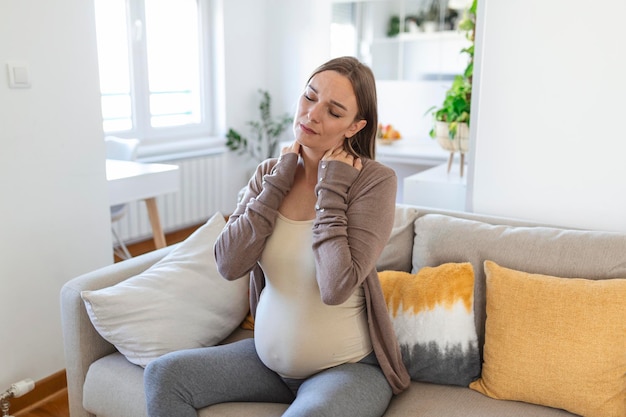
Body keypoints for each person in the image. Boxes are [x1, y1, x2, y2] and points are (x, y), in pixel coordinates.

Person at [144, 56, 410, 417]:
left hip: (347, 369)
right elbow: (229, 263)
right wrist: (277, 182)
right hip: (266, 363)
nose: (312, 114)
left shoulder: (374, 182)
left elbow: (335, 286)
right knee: (165, 376)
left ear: (355, 126)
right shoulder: (270, 173)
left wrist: (330, 188)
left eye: (333, 111)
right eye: (309, 97)